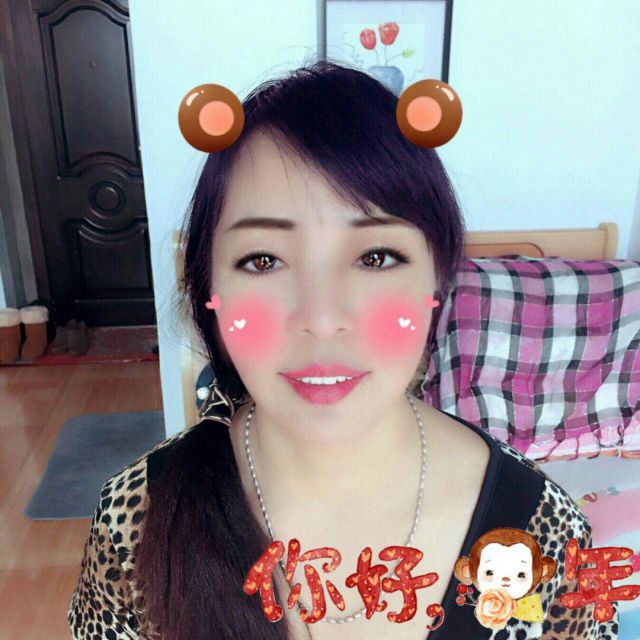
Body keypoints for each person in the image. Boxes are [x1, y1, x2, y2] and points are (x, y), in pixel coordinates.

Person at [67, 60, 619, 640]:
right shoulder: (135, 521)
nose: (322, 319)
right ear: (210, 292)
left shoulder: (545, 533)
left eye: (375, 258)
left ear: (436, 282)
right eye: (263, 260)